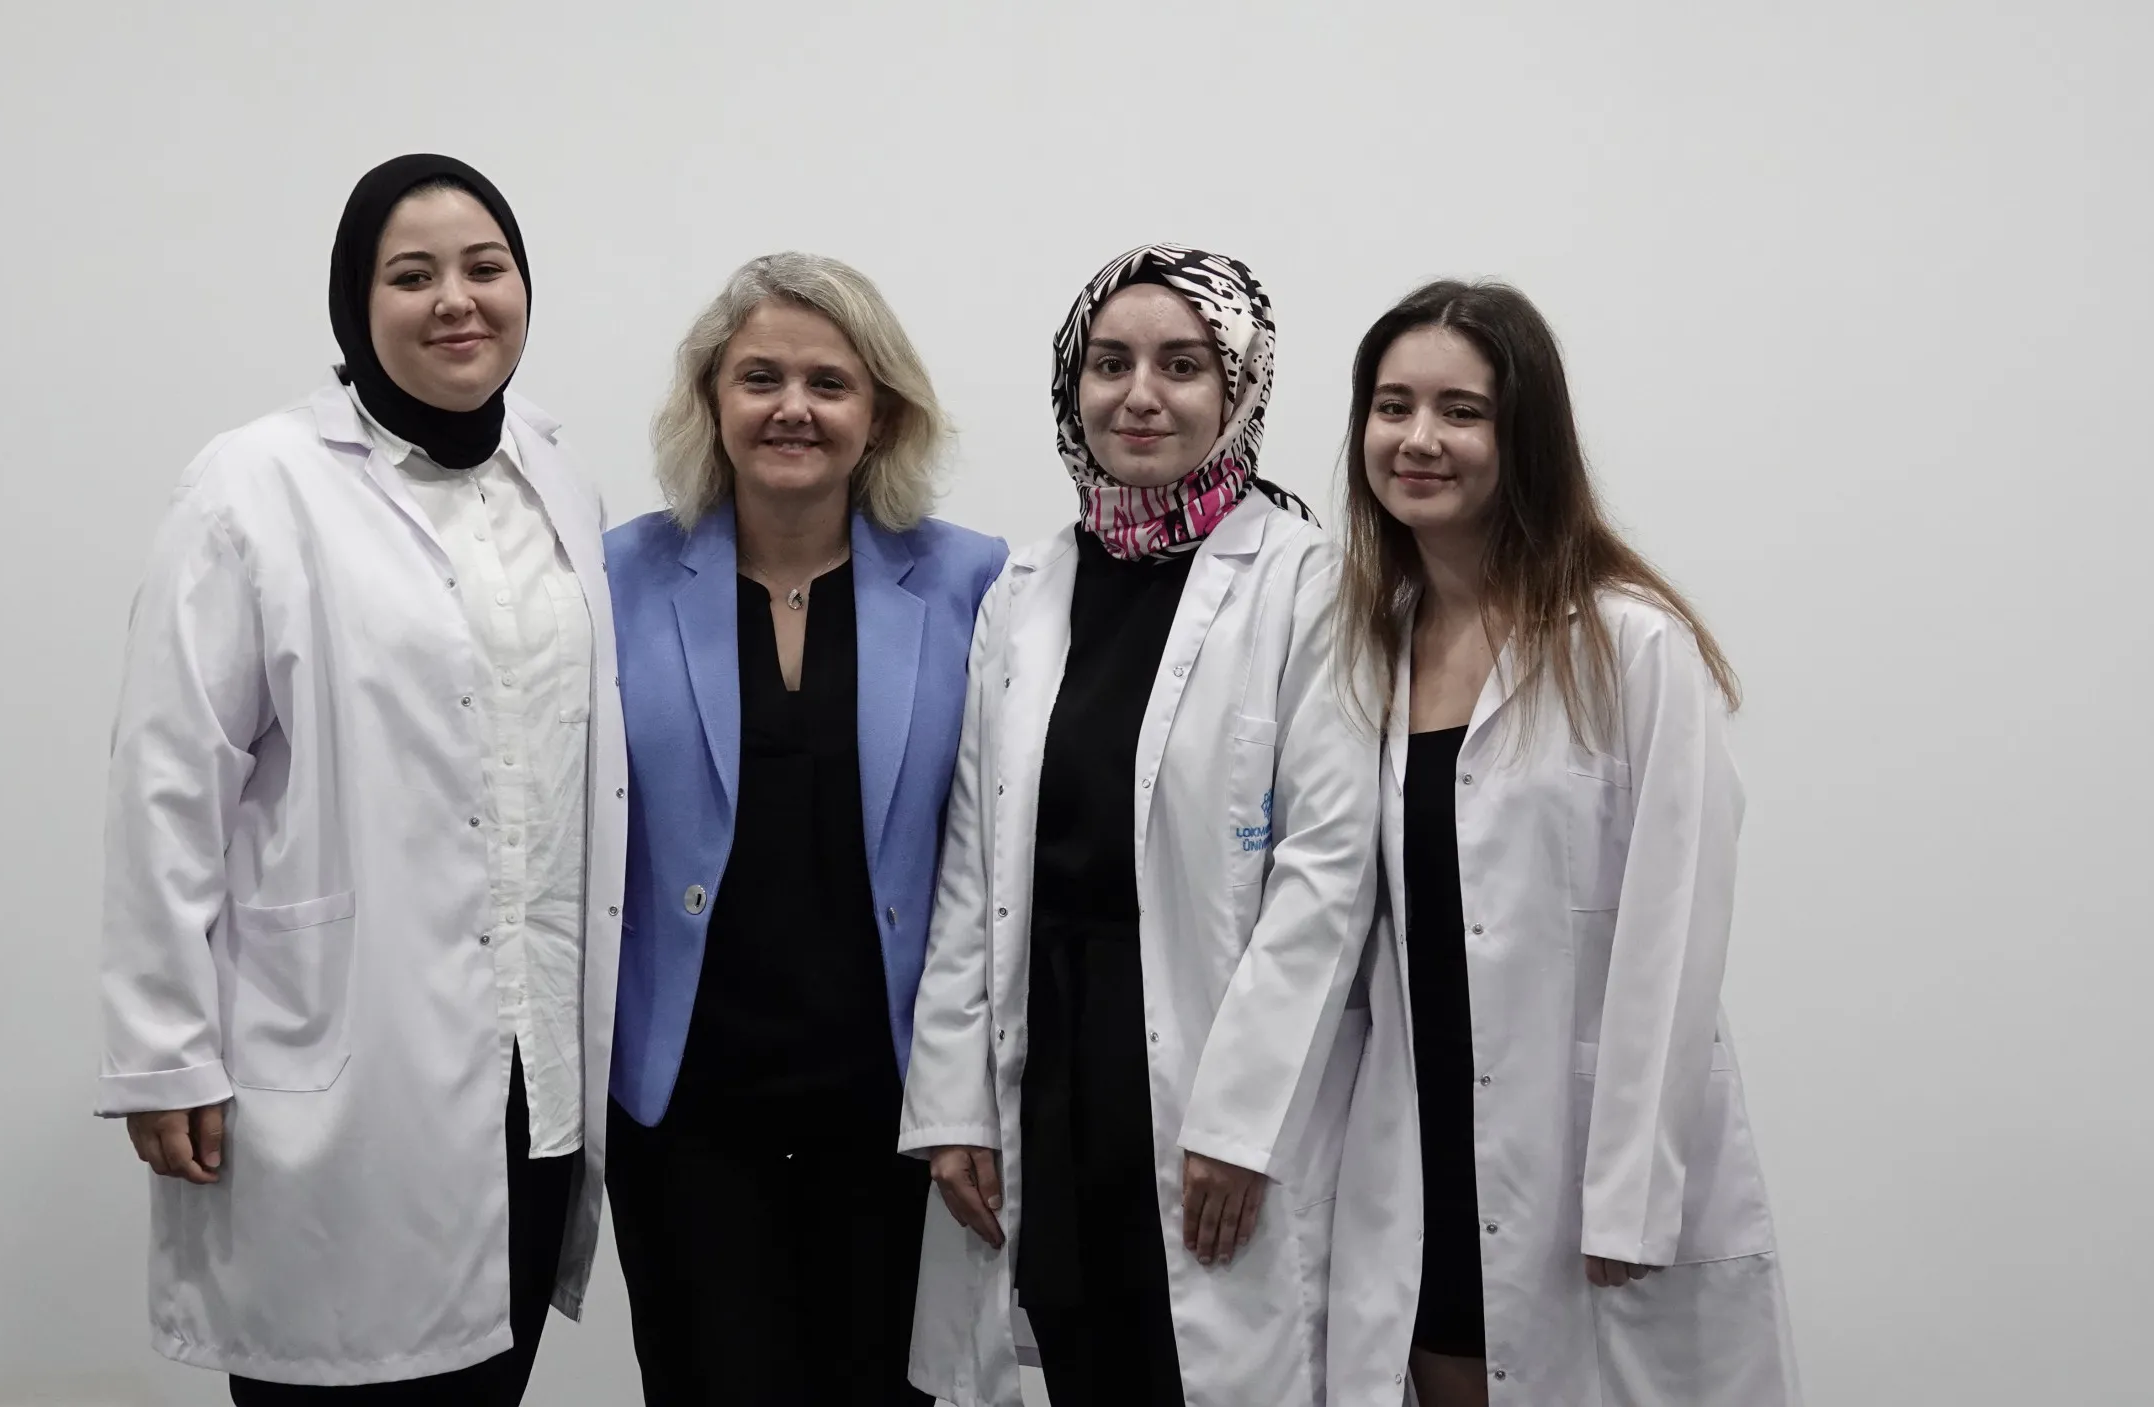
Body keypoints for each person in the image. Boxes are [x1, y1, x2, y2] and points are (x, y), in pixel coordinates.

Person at [95, 153, 627, 1404]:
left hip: (533, 1064)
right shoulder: (254, 483)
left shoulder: (557, 483)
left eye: (485, 268)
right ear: (354, 301)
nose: (457, 300)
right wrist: (164, 1050)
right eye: (412, 275)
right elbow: (169, 778)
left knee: (491, 1372)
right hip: (338, 1050)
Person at [899, 244, 1382, 1407]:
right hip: (1052, 1058)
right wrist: (955, 1102)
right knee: (1078, 1352)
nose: (1140, 396)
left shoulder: (1306, 584)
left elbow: (1327, 873)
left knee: (1200, 1366)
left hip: (1213, 1061)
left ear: (1238, 388)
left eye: (1181, 365)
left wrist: (1241, 1124)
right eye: (1109, 364)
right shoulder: (1027, 590)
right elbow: (972, 862)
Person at [1318, 280, 1801, 1406]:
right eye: (1392, 406)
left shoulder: (1630, 644)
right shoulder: (1365, 647)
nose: (1418, 439)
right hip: (1416, 1151)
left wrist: (1633, 1192)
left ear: (1523, 436)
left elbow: (1674, 932)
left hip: (1582, 1156)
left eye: (1461, 411)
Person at [604, 251, 1005, 1405]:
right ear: (711, 401)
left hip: (892, 1111)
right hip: (685, 1110)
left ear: (881, 413)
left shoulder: (976, 583)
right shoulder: (614, 578)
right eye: (760, 378)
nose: (793, 408)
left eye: (829, 383)